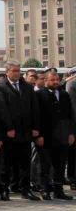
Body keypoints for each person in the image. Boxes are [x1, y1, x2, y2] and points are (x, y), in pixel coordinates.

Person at [0, 60, 41, 201]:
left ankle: (25, 189)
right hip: (9, 133)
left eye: (18, 70)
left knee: (25, 163)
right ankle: (4, 189)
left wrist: (35, 127)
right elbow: (2, 109)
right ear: (7, 72)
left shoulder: (27, 87)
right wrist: (9, 127)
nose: (17, 73)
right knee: (6, 163)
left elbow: (34, 108)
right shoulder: (0, 87)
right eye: (14, 71)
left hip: (25, 132)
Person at [35, 69, 74, 200]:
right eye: (52, 80)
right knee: (45, 164)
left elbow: (70, 115)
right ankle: (44, 189)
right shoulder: (39, 94)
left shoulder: (64, 95)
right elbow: (36, 116)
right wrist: (38, 135)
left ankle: (59, 190)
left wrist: (71, 133)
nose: (55, 82)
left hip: (62, 136)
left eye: (57, 79)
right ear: (45, 80)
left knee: (60, 164)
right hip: (45, 136)